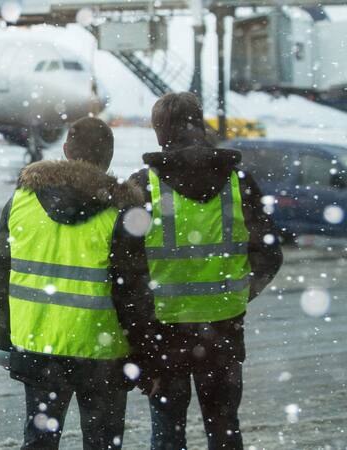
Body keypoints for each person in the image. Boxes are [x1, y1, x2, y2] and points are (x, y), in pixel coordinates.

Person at [114, 92, 284, 450]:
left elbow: (124, 275)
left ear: (160, 132)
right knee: (224, 429)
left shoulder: (144, 187)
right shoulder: (239, 181)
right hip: (223, 332)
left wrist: (139, 347)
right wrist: (240, 291)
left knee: (167, 432)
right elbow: (269, 254)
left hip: (164, 335)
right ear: (199, 125)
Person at [0, 117, 147, 449]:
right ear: (108, 159)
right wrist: (143, 352)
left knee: (39, 441)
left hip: (37, 344)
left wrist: (5, 342)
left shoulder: (20, 201)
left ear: (65, 151)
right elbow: (132, 294)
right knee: (103, 442)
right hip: (102, 350)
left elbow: (0, 277)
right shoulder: (121, 213)